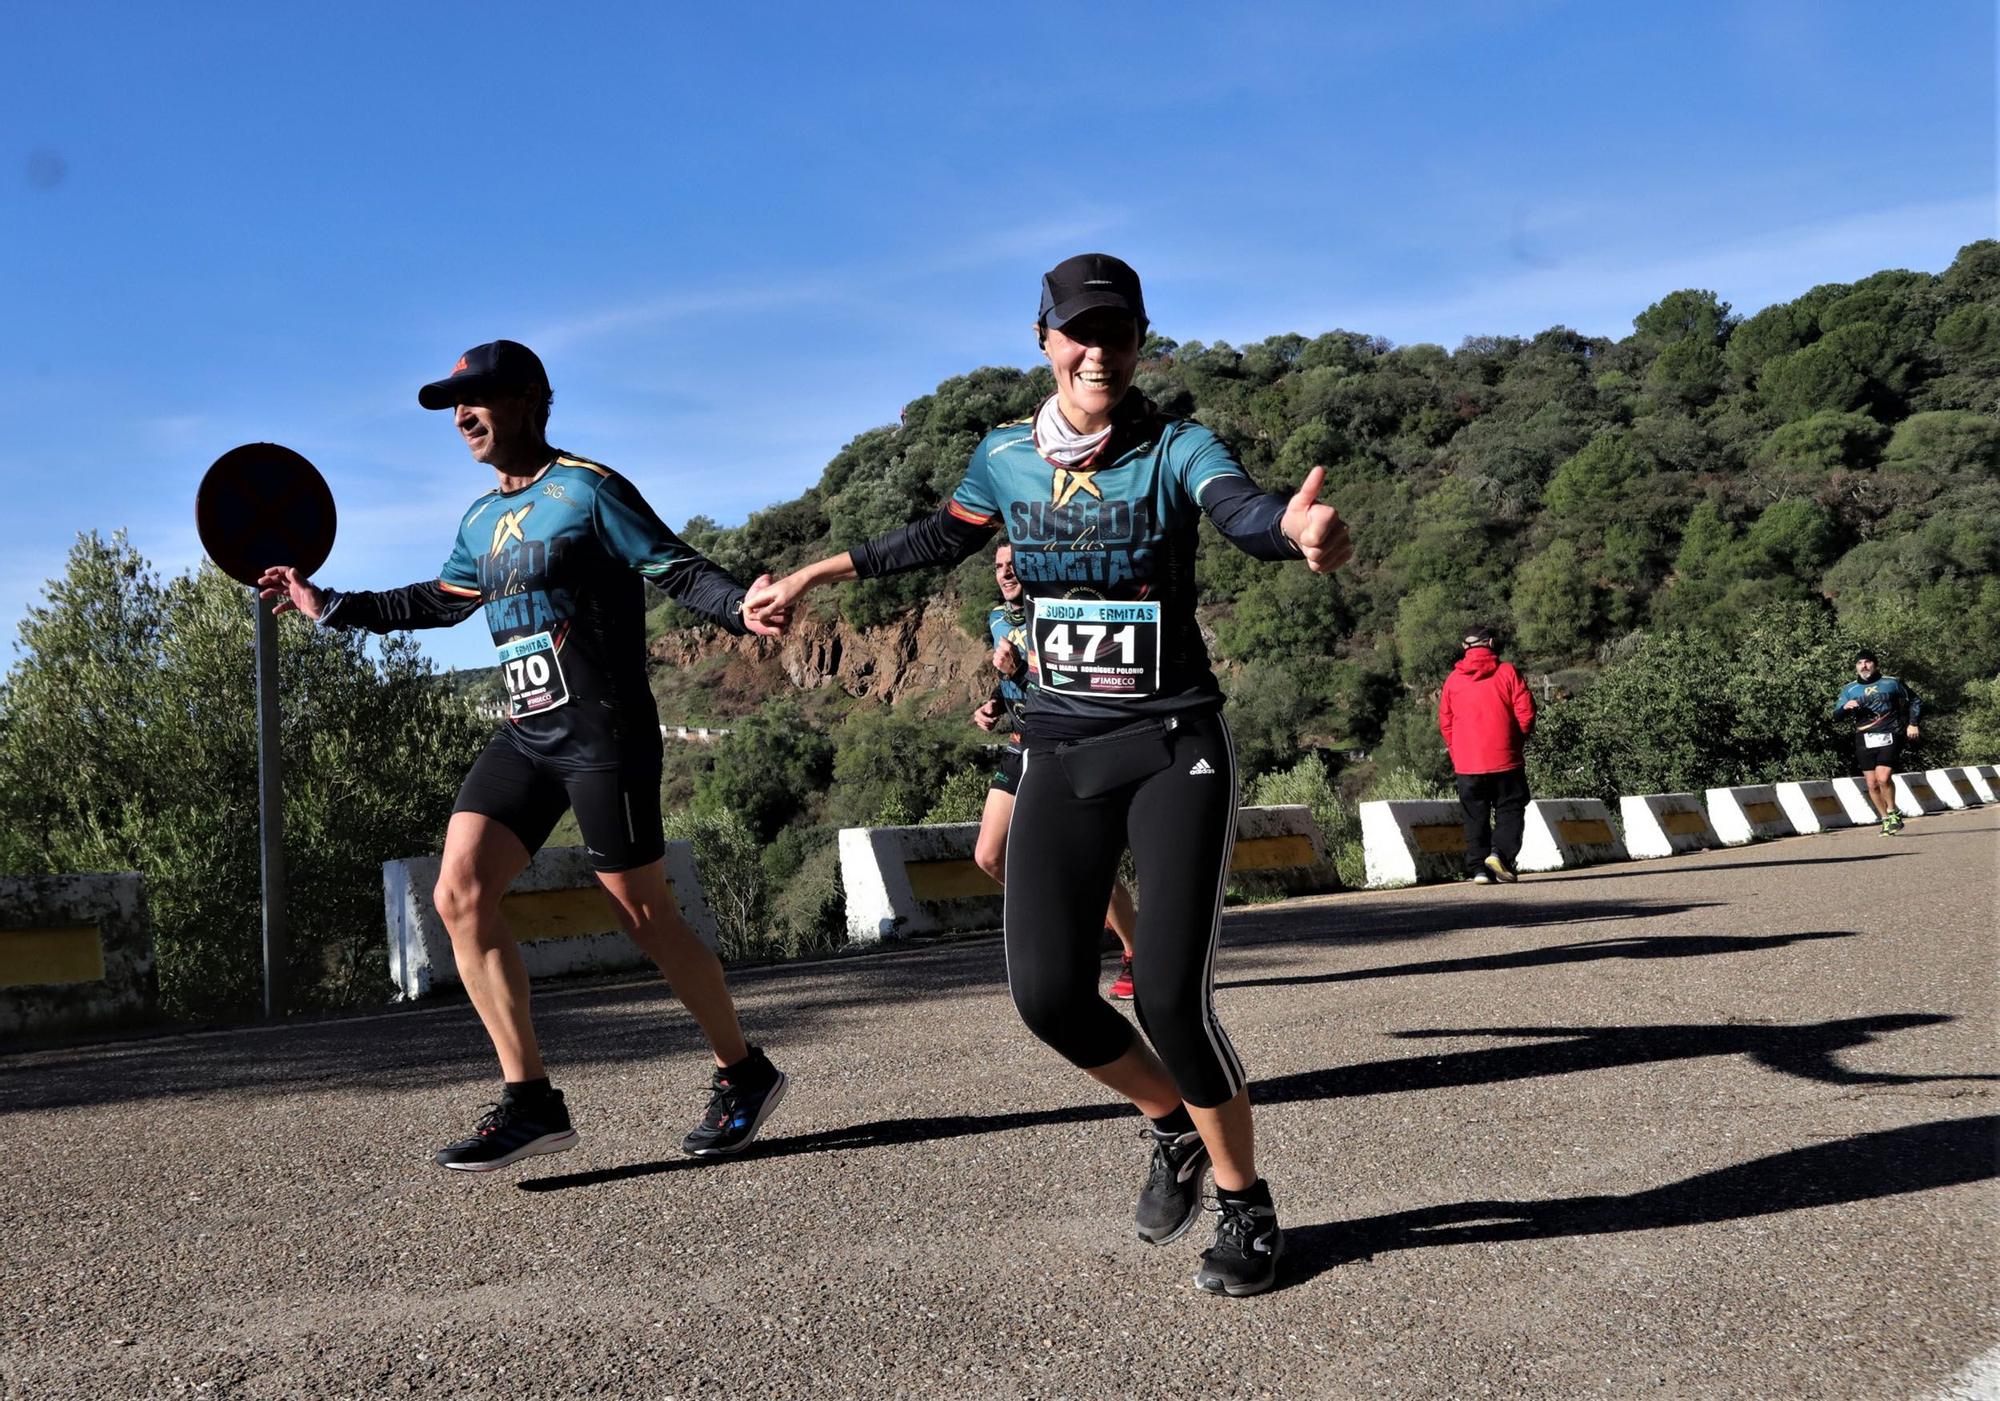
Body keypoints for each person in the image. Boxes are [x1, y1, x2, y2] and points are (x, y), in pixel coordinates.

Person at [747, 254, 1352, 1297]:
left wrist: (1291, 530)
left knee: (1165, 996)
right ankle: (1166, 1124)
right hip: (1060, 744)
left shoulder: (1174, 448)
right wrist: (810, 570)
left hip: (1171, 745)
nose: (1098, 352)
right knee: (1045, 998)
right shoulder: (1002, 457)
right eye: (1079, 332)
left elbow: (1240, 509)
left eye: (1117, 334)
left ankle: (1246, 1207)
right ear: (1044, 341)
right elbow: (937, 535)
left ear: (1139, 343)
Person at [257, 340, 791, 1172]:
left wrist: (739, 608)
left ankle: (744, 1070)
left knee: (642, 914)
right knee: (458, 891)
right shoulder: (478, 520)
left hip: (601, 733)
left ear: (533, 402)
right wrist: (328, 604)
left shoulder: (588, 490)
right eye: (453, 407)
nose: (463, 417)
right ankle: (530, 1100)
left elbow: (676, 568)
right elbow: (437, 601)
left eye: (479, 400)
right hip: (526, 732)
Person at [971, 543, 1139, 998]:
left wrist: (1022, 675)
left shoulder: (1061, 608)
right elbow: (1008, 675)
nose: (1006, 574)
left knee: (1083, 862)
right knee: (989, 856)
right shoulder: (997, 618)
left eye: (1014, 566)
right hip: (1021, 741)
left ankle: (1134, 950)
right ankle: (1078, 913)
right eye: (999, 567)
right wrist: (994, 701)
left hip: (1066, 743)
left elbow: (1082, 678)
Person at [1437, 623, 1535, 884]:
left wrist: (1458, 752)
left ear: (1464, 648)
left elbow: (1446, 723)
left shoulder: (1453, 681)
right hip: (1506, 758)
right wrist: (1515, 741)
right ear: (1491, 644)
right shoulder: (1507, 673)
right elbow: (1526, 713)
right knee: (1510, 808)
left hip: (1468, 764)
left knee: (1474, 816)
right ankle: (1500, 855)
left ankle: (1479, 869)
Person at [1832, 650, 1922, 834]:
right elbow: (1836, 715)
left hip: (1890, 733)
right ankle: (1886, 818)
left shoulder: (1891, 683)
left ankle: (1892, 809)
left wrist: (1913, 724)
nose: (1863, 666)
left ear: (1876, 665)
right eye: (1859, 663)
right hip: (1864, 737)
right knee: (1872, 784)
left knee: (1883, 778)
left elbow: (1916, 700)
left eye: (1867, 662)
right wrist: (1845, 708)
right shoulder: (1849, 689)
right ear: (1856, 667)